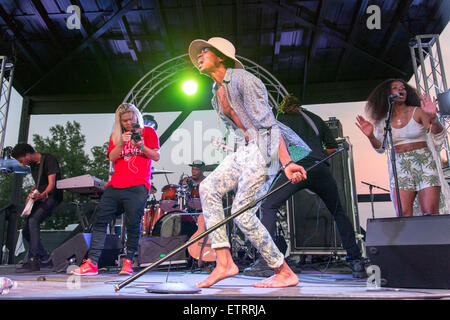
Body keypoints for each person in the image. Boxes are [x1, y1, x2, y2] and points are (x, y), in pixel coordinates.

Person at [188, 37, 312, 288]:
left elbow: (268, 125)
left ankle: (284, 271)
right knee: (208, 187)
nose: (199, 56)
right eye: (198, 52)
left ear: (220, 56)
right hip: (245, 149)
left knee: (242, 215)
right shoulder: (215, 94)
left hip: (264, 147)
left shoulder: (245, 80)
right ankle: (224, 263)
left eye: (205, 51)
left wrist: (286, 162)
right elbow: (239, 131)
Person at [243, 94, 366, 278]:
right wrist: (315, 156)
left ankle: (266, 261)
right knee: (338, 211)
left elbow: (275, 145)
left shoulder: (280, 119)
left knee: (268, 206)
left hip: (296, 167)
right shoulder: (315, 119)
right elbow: (332, 148)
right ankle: (356, 260)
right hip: (319, 167)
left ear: (283, 106)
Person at [72, 103, 160, 276]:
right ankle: (92, 263)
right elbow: (113, 157)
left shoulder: (148, 132)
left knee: (133, 223)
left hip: (138, 185)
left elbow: (156, 156)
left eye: (131, 119)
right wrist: (121, 142)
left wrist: (140, 146)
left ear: (137, 117)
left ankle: (127, 262)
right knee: (100, 220)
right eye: (124, 120)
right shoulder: (116, 135)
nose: (128, 123)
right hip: (115, 184)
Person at [356, 79, 450, 216]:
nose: (401, 90)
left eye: (403, 88)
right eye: (396, 88)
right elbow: (381, 148)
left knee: (429, 212)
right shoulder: (383, 120)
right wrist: (370, 136)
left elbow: (438, 134)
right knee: (403, 213)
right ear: (387, 94)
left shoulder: (417, 111)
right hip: (400, 165)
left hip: (423, 162)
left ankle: (431, 237)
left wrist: (433, 117)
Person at [11, 143, 63, 272]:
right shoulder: (34, 166)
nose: (22, 164)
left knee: (34, 221)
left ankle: (34, 260)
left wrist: (42, 194)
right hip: (40, 198)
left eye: (21, 160)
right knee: (26, 231)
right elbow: (39, 183)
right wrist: (33, 192)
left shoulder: (49, 159)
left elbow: (52, 184)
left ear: (27, 155)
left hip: (51, 197)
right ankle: (45, 258)